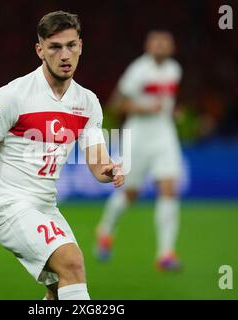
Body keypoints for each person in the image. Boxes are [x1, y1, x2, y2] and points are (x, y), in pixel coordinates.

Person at [0, 11, 123, 300]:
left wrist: (109, 170)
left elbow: (97, 162)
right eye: (55, 47)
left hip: (46, 208)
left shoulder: (88, 102)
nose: (65, 55)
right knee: (72, 263)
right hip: (10, 205)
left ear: (81, 45)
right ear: (40, 50)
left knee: (60, 288)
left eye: (71, 45)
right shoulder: (13, 95)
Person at [95, 31, 183, 271]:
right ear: (148, 46)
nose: (161, 46)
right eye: (156, 43)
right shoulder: (138, 71)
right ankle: (105, 229)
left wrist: (172, 112)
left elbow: (167, 101)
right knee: (130, 193)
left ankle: (165, 254)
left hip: (164, 134)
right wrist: (144, 108)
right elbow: (116, 104)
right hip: (138, 136)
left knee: (169, 188)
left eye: (165, 43)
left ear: (172, 47)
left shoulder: (175, 69)